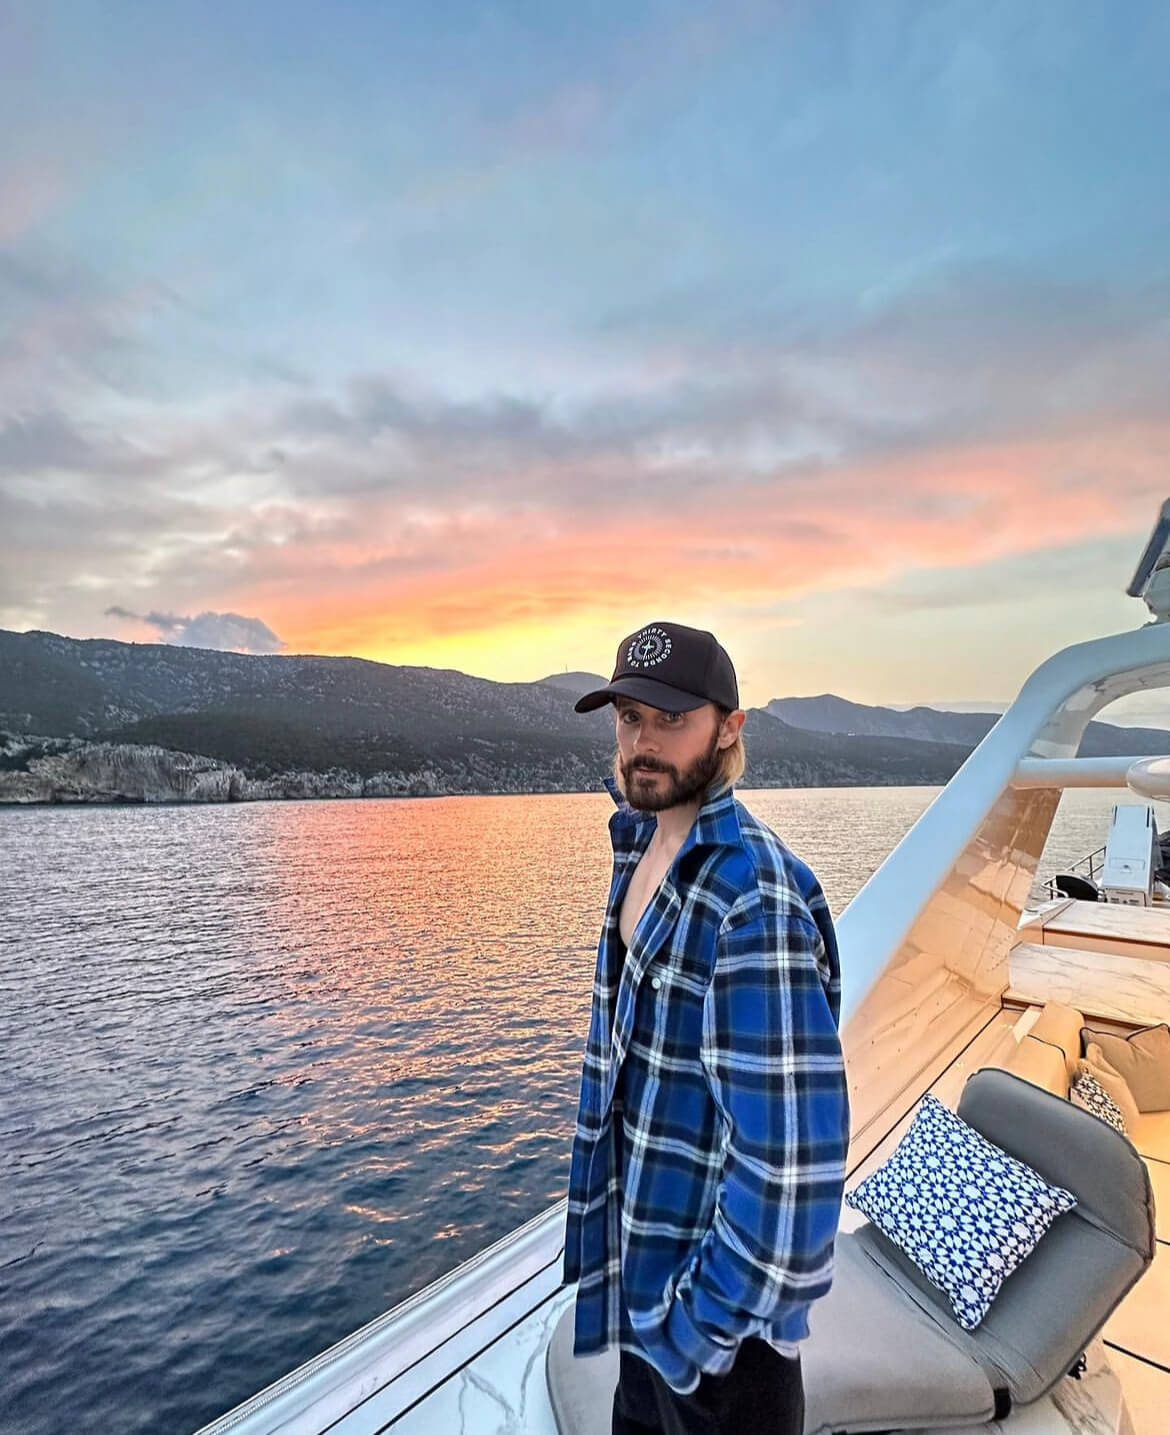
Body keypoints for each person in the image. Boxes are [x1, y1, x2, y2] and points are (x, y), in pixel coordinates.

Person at [563, 621, 849, 1435]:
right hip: (648, 1298)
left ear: (729, 728)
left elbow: (790, 1171)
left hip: (717, 1351)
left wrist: (695, 1329)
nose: (641, 743)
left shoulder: (752, 896)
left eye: (670, 720)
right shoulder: (643, 846)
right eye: (628, 717)